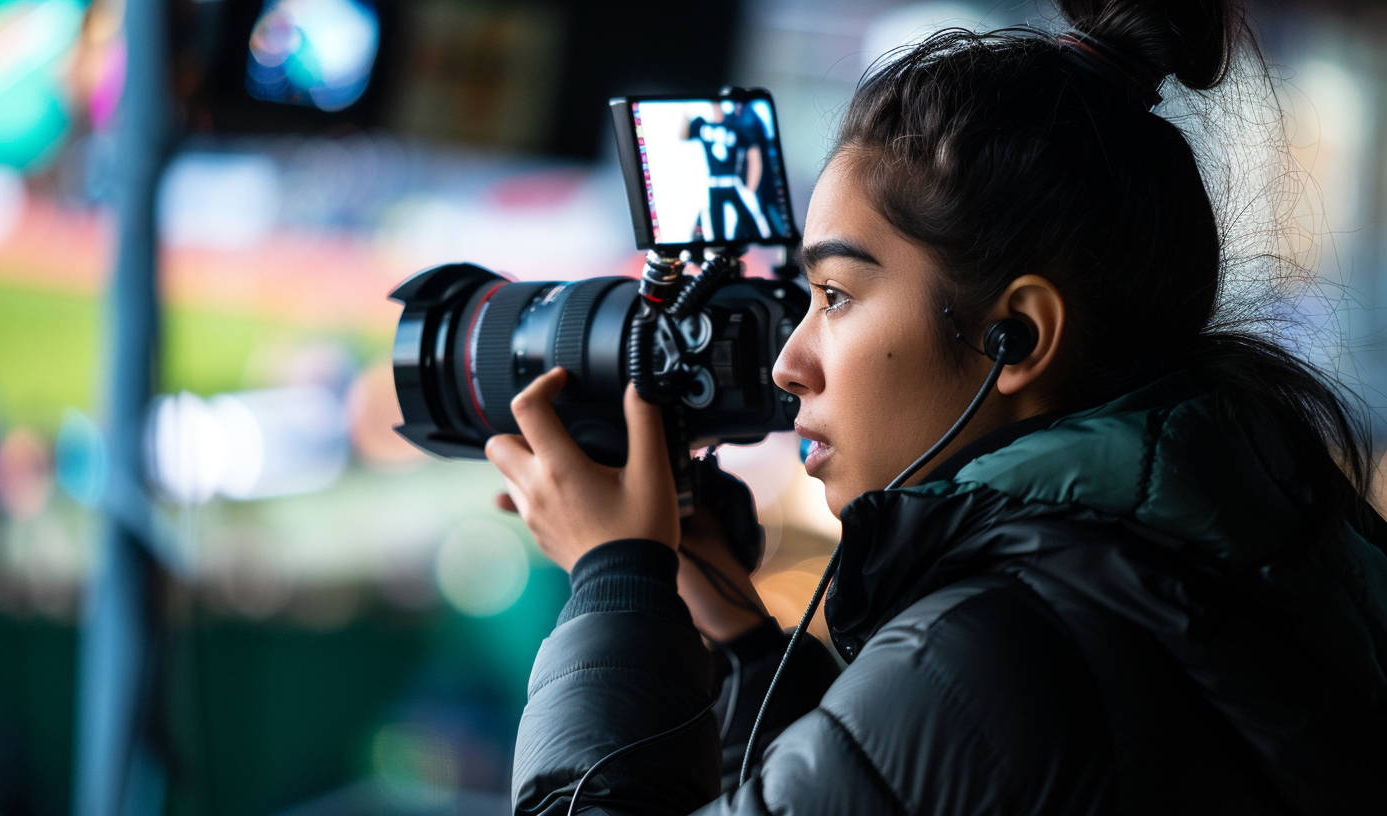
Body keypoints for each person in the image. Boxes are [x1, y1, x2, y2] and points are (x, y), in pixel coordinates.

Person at [484, 0, 1387, 812]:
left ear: (1019, 337)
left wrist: (612, 581)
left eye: (834, 295)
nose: (790, 362)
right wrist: (736, 634)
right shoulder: (1208, 550)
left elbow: (951, 726)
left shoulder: (998, 647)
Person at [684, 102, 773, 242]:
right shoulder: (701, 124)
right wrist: (688, 112)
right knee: (714, 231)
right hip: (712, 185)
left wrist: (750, 189)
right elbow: (683, 135)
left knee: (754, 224)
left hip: (732, 183)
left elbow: (754, 154)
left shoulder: (736, 125)